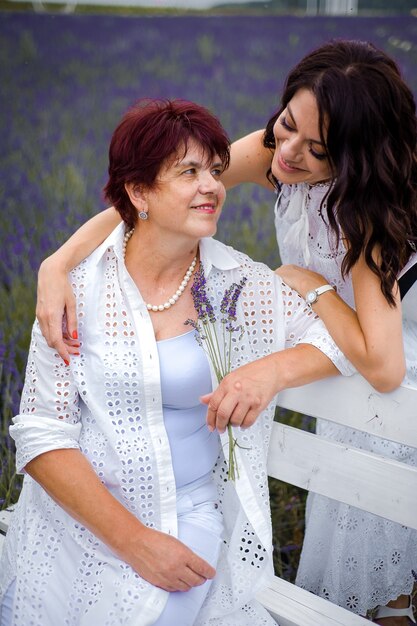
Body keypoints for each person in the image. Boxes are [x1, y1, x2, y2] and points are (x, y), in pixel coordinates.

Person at [34, 40, 417, 625]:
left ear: (353, 159)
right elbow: (145, 193)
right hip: (329, 333)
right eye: (286, 123)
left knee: (378, 579)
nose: (285, 152)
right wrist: (56, 264)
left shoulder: (366, 214)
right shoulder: (281, 149)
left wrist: (308, 283)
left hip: (387, 358)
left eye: (316, 150)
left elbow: (384, 362)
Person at [0, 98, 353, 626]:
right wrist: (135, 541)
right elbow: (41, 434)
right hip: (76, 519)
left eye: (215, 169)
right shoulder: (78, 291)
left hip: (185, 517)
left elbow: (339, 341)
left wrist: (282, 348)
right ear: (139, 192)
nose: (213, 185)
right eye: (188, 172)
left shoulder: (237, 284)